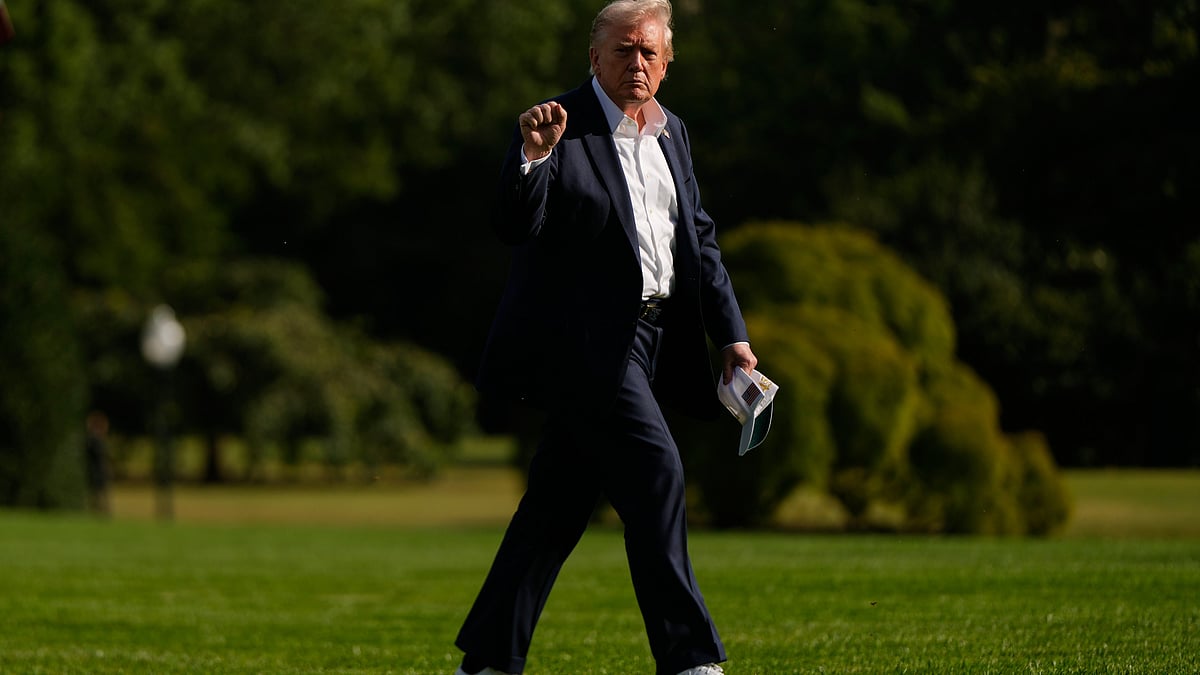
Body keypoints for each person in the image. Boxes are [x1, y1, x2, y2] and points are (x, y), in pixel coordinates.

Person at [455, 2, 758, 673]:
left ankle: (487, 660)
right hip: (583, 345)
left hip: (653, 341)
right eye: (623, 50)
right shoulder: (557, 125)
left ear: (667, 63)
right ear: (595, 58)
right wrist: (533, 158)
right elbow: (514, 224)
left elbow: (699, 240)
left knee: (556, 506)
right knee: (658, 471)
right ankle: (690, 658)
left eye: (650, 52)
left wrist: (731, 335)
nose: (637, 63)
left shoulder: (673, 131)